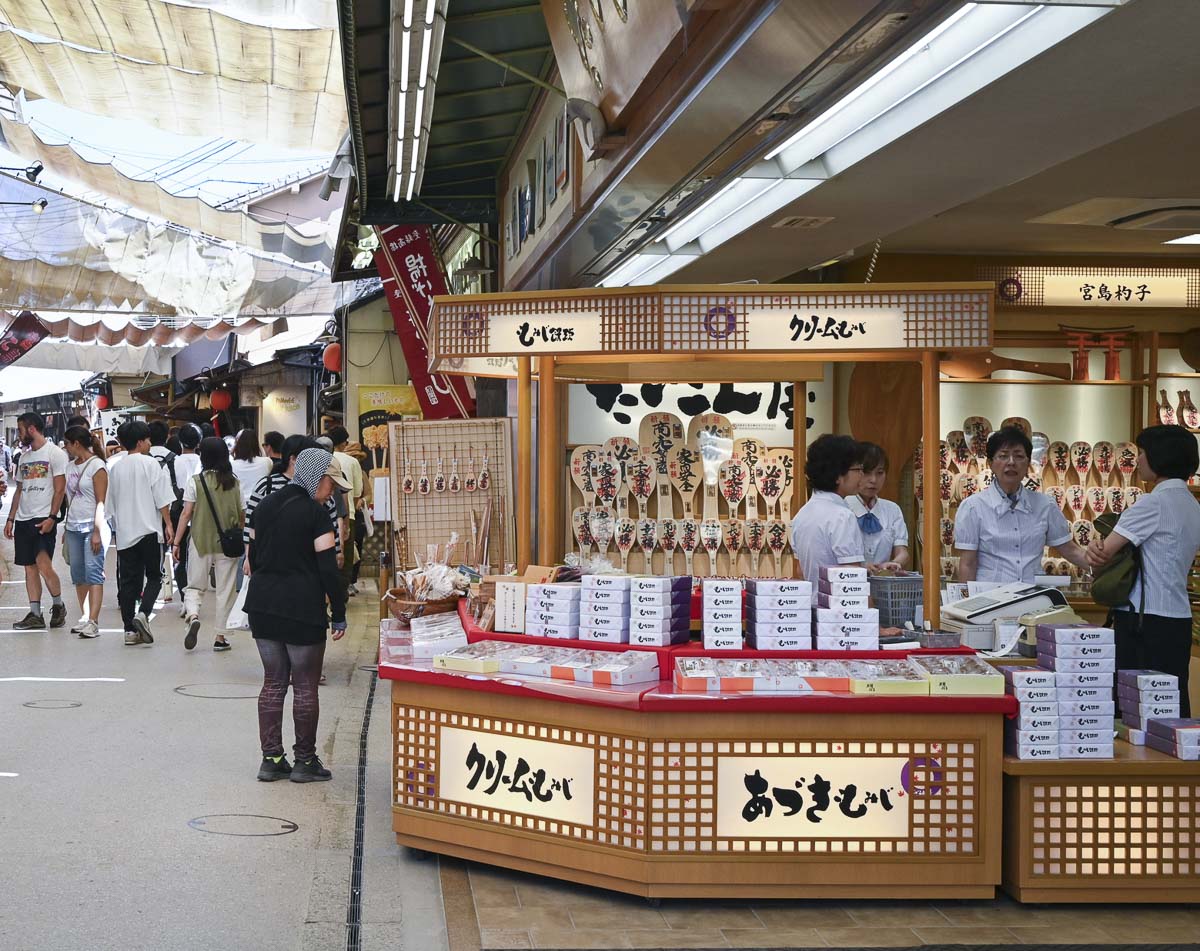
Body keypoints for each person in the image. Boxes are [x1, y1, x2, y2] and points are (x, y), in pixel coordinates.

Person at [246, 448, 349, 783]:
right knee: (305, 686)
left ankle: (271, 759)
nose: (331, 489)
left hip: (263, 605)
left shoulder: (264, 507)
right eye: (328, 482)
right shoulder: (317, 515)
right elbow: (328, 569)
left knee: (273, 682)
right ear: (313, 477)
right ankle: (304, 761)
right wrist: (339, 611)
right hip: (303, 608)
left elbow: (255, 555)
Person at [1088, 425, 1200, 717]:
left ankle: (1134, 763)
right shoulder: (1192, 505)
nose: (1136, 460)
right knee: (1170, 704)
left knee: (1134, 705)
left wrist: (1093, 549)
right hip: (1178, 616)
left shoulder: (1152, 503)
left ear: (1159, 458)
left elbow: (1103, 554)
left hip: (1142, 619)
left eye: (1142, 453)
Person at [955, 426, 1089, 583]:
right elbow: (968, 563)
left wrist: (1105, 568)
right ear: (991, 463)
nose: (1011, 462)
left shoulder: (1045, 505)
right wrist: (967, 604)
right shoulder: (973, 507)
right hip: (990, 600)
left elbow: (1070, 550)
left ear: (1027, 464)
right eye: (1003, 456)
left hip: (1032, 599)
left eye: (1019, 456)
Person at [106, 421, 176, 645]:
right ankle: (143, 614)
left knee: (128, 582)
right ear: (139, 442)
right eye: (147, 440)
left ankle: (129, 631)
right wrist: (168, 524)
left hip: (126, 533)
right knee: (155, 576)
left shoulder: (116, 467)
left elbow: (111, 505)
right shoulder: (151, 464)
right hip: (149, 531)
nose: (149, 443)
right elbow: (162, 498)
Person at [172, 437, 243, 652]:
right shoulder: (234, 481)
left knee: (195, 585)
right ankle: (220, 637)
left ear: (203, 456)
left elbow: (186, 514)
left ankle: (193, 615)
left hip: (200, 540)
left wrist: (176, 542)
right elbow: (242, 514)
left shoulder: (196, 481)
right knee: (225, 589)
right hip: (227, 544)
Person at [5, 412, 69, 630]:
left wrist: (52, 517)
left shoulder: (55, 454)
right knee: (29, 568)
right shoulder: (23, 457)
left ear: (31, 429)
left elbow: (60, 489)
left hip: (43, 518)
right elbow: (19, 491)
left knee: (43, 564)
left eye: (21, 429)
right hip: (23, 519)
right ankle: (35, 614)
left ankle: (58, 606)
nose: (19, 434)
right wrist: (11, 519)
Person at [789, 434, 866, 584]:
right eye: (858, 469)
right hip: (840, 605)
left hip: (812, 603)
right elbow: (853, 580)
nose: (862, 475)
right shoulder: (842, 516)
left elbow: (800, 570)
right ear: (837, 475)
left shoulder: (802, 514)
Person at [62, 427, 109, 639]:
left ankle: (93, 621)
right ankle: (85, 616)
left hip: (92, 526)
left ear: (76, 444)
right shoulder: (69, 466)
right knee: (78, 575)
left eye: (67, 444)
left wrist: (97, 531)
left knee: (94, 573)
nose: (66, 448)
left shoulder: (97, 466)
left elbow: (101, 502)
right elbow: (69, 499)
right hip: (72, 526)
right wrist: (65, 526)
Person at [847, 443, 910, 571]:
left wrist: (893, 564)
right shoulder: (843, 507)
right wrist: (861, 567)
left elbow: (902, 552)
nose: (873, 480)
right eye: (866, 473)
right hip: (849, 583)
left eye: (880, 473)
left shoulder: (892, 509)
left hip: (883, 584)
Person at [171, 425, 203, 610]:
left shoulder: (173, 462)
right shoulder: (204, 461)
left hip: (179, 514)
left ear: (180, 441)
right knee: (197, 560)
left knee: (180, 558)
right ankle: (194, 600)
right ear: (199, 442)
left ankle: (185, 599)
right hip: (201, 514)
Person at [231, 430, 272, 512]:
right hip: (259, 505)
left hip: (240, 506)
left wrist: (233, 453)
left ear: (238, 445)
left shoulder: (232, 465)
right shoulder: (267, 462)